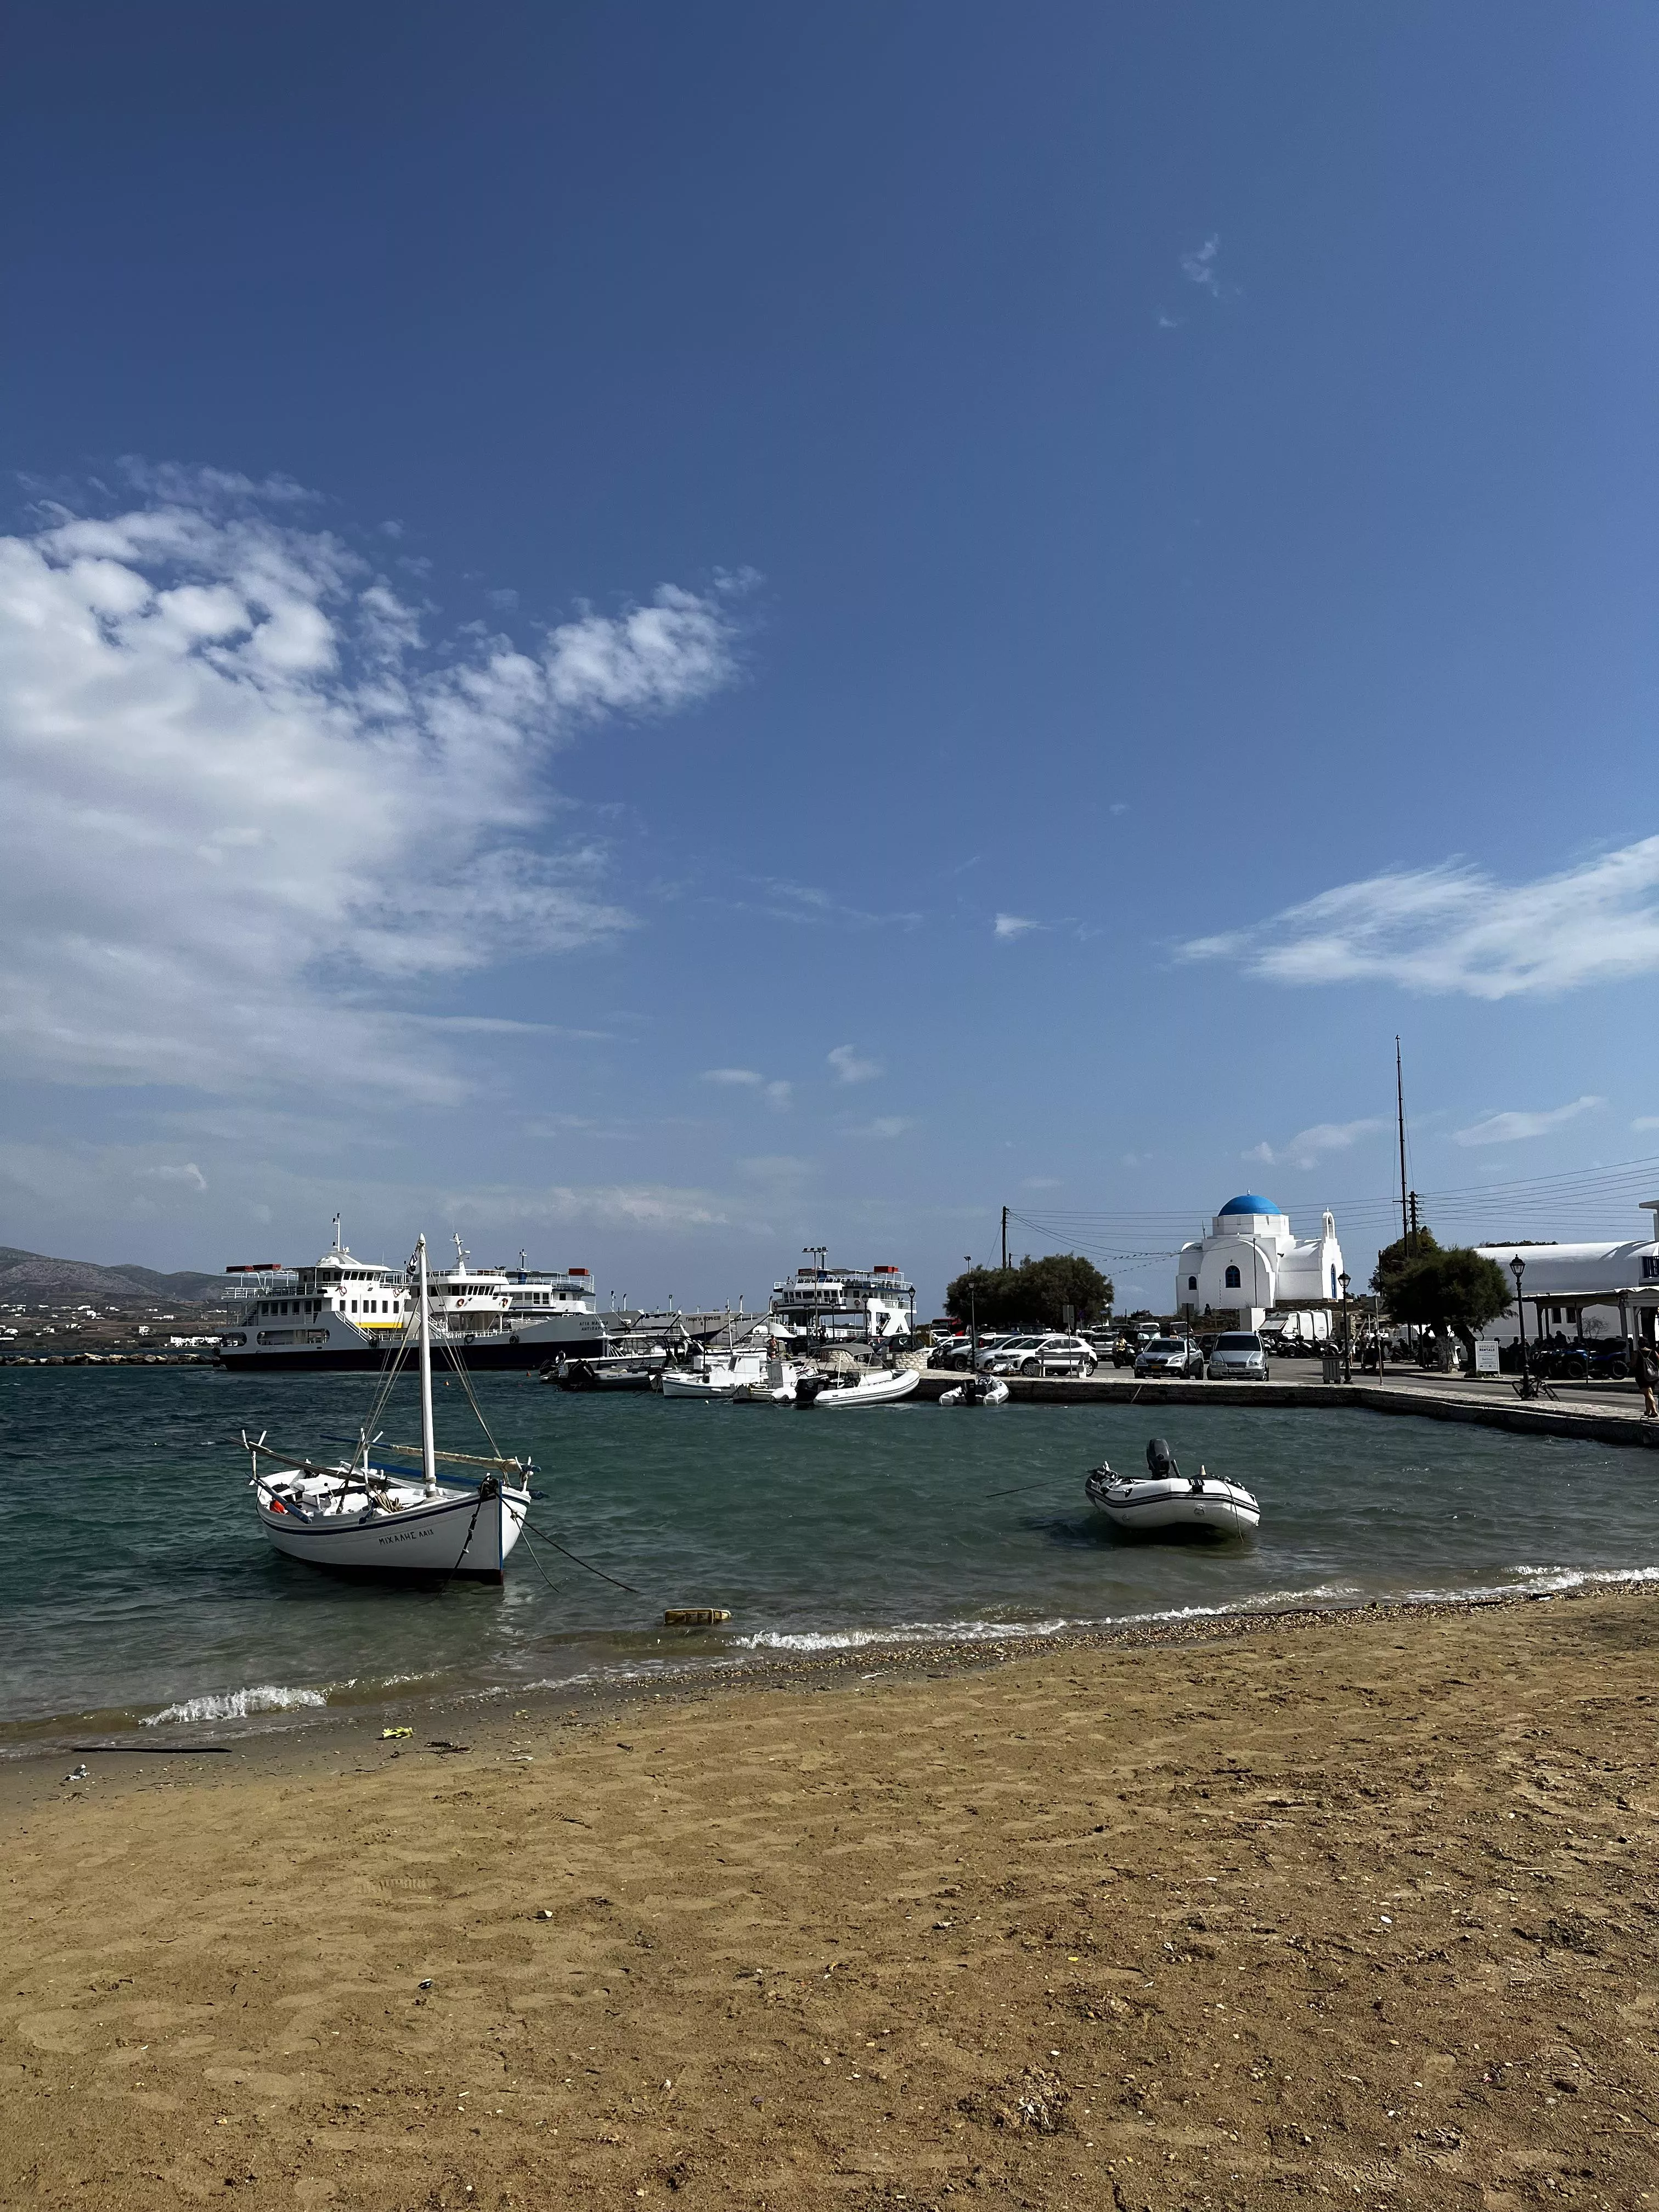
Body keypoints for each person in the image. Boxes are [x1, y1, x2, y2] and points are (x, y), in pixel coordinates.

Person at [1635, 1333, 1659, 1420]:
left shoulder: (1637, 1353)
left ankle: (1654, 1411)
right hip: (1653, 1376)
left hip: (1642, 1376)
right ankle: (1648, 1411)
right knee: (1648, 1393)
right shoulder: (1654, 1352)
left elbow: (1633, 1364)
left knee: (1648, 1394)